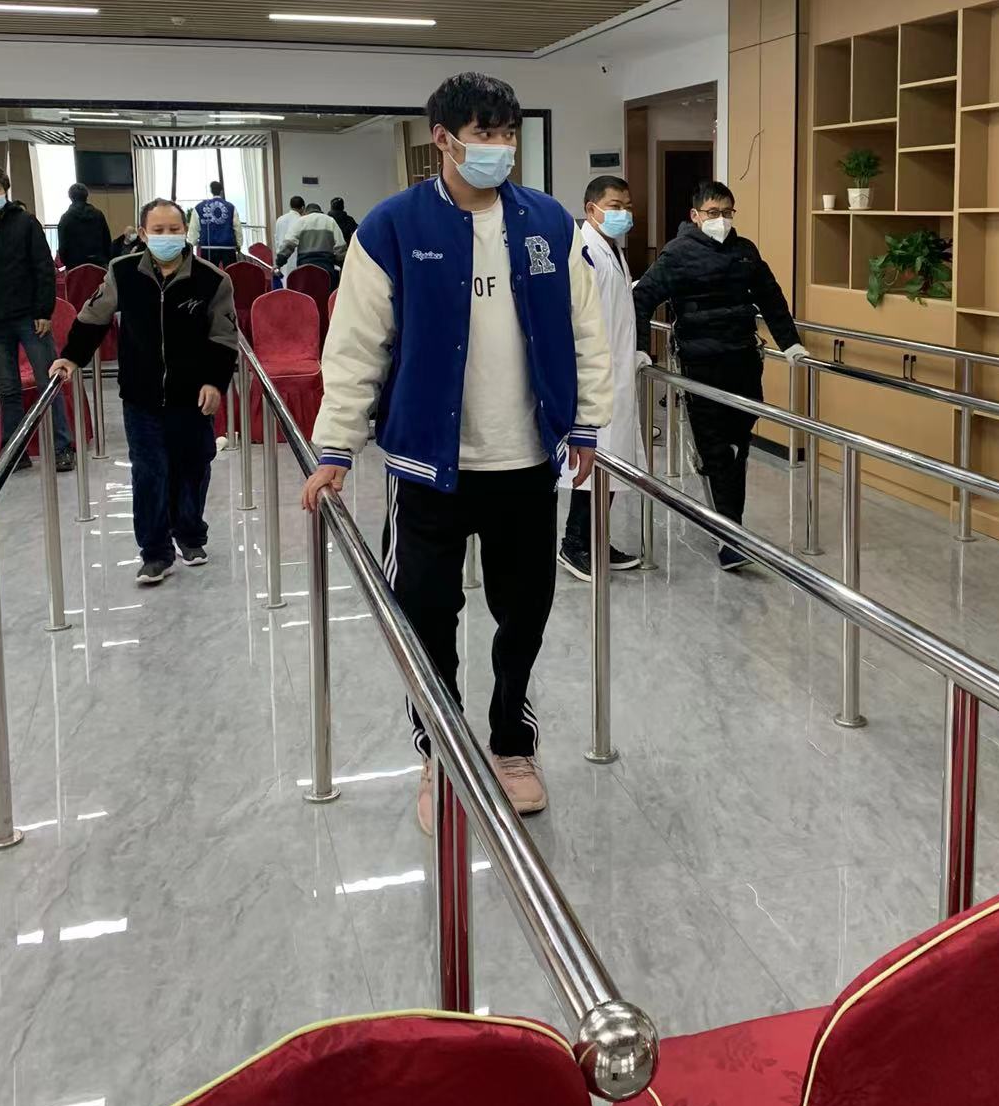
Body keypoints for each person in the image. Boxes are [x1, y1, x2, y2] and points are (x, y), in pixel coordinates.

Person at [300, 71, 612, 834]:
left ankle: (511, 743)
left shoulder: (547, 223)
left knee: (525, 612)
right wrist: (335, 445)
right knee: (426, 615)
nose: (498, 148)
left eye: (506, 134)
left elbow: (585, 328)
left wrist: (587, 423)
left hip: (525, 460)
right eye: (482, 134)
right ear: (442, 138)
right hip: (427, 465)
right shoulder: (392, 226)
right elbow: (356, 344)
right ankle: (439, 749)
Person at [50, 199, 237, 586]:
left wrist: (214, 382)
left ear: (185, 231)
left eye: (174, 229)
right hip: (141, 394)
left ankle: (189, 535)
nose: (167, 236)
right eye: (158, 230)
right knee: (150, 471)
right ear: (142, 232)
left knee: (193, 466)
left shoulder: (212, 279)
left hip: (192, 396)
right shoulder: (122, 271)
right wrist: (71, 357)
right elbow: (94, 317)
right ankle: (155, 552)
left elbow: (223, 337)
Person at [633, 179, 806, 571]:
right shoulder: (677, 254)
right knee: (716, 448)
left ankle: (728, 524)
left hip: (743, 359)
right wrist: (643, 348)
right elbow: (642, 297)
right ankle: (730, 537)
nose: (721, 219)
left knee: (738, 444)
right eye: (713, 213)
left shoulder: (745, 251)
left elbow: (771, 297)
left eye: (727, 212)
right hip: (701, 363)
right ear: (695, 216)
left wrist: (791, 344)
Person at [0, 163, 75, 473]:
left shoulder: (25, 223)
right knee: (8, 389)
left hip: (30, 319)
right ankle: (14, 452)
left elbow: (43, 269)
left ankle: (62, 447)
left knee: (48, 383)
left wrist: (43, 311)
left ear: (5, 190)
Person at [558, 176, 645, 582]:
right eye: (614, 206)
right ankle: (575, 543)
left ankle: (596, 538)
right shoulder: (585, 250)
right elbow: (580, 318)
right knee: (594, 462)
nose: (623, 213)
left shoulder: (612, 250)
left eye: (627, 205)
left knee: (611, 463)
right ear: (591, 208)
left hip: (617, 373)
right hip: (596, 376)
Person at [275, 202, 342, 278]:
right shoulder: (330, 221)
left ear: (305, 212)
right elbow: (341, 245)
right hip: (326, 267)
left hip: (305, 267)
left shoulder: (301, 221)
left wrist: (279, 263)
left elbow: (289, 244)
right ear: (320, 212)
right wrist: (340, 262)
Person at [187, 179, 242, 266]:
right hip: (228, 247)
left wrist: (191, 244)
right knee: (230, 272)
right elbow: (237, 227)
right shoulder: (231, 207)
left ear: (211, 191)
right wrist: (239, 244)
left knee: (209, 273)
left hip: (208, 247)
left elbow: (194, 228)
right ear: (221, 191)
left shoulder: (199, 207)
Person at [57, 182, 111, 270]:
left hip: (75, 267)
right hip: (98, 265)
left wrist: (67, 262)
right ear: (86, 196)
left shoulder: (65, 219)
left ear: (70, 197)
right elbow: (107, 240)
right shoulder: (98, 215)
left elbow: (63, 247)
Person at [273, 193, 305, 260]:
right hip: (296, 258)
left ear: (290, 206)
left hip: (282, 257)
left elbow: (276, 239)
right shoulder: (302, 220)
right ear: (303, 207)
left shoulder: (280, 219)